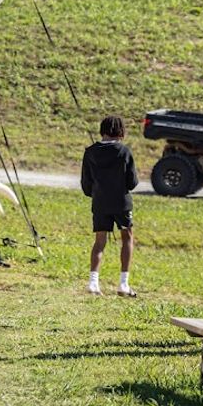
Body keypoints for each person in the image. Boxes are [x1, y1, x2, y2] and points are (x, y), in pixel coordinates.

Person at [81, 115, 139, 298]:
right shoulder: (124, 151)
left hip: (100, 202)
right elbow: (132, 182)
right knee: (127, 238)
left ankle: (93, 283)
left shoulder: (90, 152)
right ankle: (123, 284)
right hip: (121, 203)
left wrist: (95, 194)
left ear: (102, 130)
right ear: (121, 131)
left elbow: (86, 183)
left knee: (99, 242)